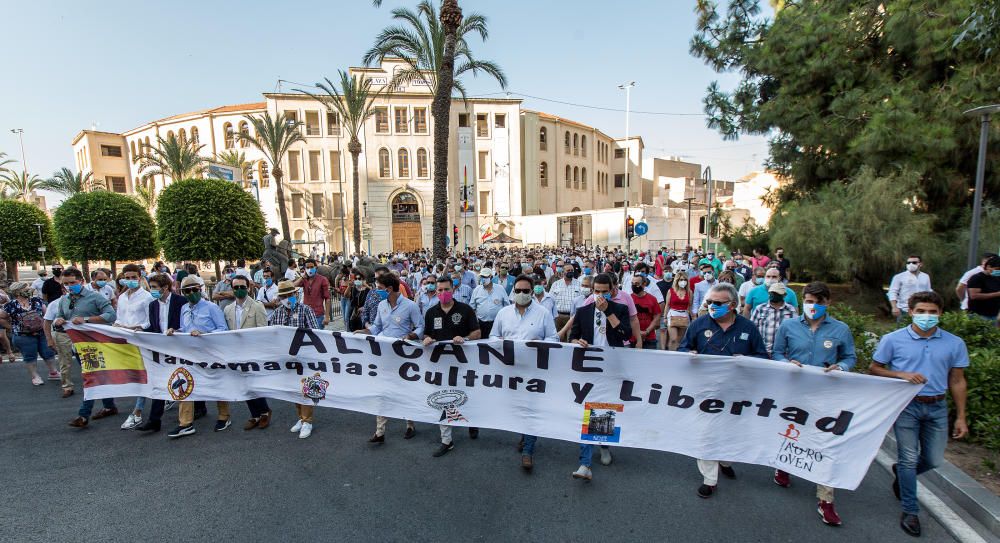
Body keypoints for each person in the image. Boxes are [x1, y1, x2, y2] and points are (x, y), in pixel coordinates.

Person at [868, 291, 969, 538]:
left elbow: (957, 380)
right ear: (911, 312)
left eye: (932, 312)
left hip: (937, 406)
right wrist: (901, 375)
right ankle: (910, 511)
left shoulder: (954, 343)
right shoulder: (893, 339)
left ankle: (902, 473)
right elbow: (875, 368)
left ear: (941, 314)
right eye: (921, 311)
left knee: (933, 460)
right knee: (909, 458)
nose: (927, 316)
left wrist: (961, 416)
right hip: (906, 405)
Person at [770, 282, 856, 526]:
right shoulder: (788, 326)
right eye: (809, 301)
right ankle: (784, 465)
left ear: (828, 303)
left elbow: (850, 357)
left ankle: (825, 500)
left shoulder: (841, 329)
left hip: (827, 395)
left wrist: (841, 367)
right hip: (794, 392)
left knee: (825, 442)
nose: (814, 306)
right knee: (790, 433)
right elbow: (777, 353)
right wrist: (786, 364)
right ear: (802, 301)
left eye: (819, 301)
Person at [678, 283, 768, 498]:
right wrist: (688, 354)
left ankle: (725, 460)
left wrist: (747, 361)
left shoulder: (748, 328)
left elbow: (763, 356)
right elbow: (682, 349)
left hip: (738, 392)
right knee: (707, 433)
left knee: (732, 432)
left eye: (718, 303)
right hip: (706, 391)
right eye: (709, 302)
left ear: (733, 305)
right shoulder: (699, 324)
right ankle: (709, 479)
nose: (712, 306)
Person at [490, 275, 558, 472]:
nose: (521, 294)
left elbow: (553, 338)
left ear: (532, 291)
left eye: (525, 291)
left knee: (531, 408)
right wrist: (500, 341)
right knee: (517, 407)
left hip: (534, 370)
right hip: (510, 370)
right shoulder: (503, 313)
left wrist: (539, 345)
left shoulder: (543, 313)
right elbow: (493, 335)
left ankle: (528, 450)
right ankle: (524, 432)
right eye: (518, 290)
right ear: (513, 292)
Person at [569, 273, 632, 480]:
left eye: (605, 292)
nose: (601, 296)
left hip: (611, 368)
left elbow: (625, 334)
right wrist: (577, 341)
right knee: (587, 409)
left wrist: (609, 313)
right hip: (588, 367)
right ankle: (585, 463)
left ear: (613, 290)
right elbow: (573, 336)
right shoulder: (583, 311)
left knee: (603, 408)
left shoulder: (621, 310)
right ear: (592, 291)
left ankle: (604, 446)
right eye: (597, 292)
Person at [422, 275, 482, 457]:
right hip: (440, 365)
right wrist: (426, 339)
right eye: (439, 290)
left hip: (463, 363)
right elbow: (426, 334)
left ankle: (472, 422)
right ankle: (446, 440)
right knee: (443, 399)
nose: (443, 293)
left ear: (453, 290)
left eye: (446, 289)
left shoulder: (465, 310)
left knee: (467, 396)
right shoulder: (431, 313)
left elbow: (477, 333)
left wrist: (465, 338)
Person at [360, 273, 423, 443]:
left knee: (405, 391)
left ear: (389, 289)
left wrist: (410, 336)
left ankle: (410, 424)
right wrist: (364, 332)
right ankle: (380, 431)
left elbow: (420, 327)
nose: (376, 291)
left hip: (404, 356)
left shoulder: (410, 306)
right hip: (384, 355)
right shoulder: (381, 305)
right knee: (383, 391)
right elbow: (377, 327)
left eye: (379, 288)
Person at [165, 275, 229, 438]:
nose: (191, 293)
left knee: (216, 384)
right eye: (187, 291)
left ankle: (224, 417)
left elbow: (223, 329)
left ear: (200, 290)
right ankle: (185, 423)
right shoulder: (184, 308)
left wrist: (204, 334)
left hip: (210, 353)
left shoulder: (211, 308)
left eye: (194, 290)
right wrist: (175, 331)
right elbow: (184, 328)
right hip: (190, 354)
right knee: (184, 384)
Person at [52, 268, 118, 426]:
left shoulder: (95, 297)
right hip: (78, 346)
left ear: (81, 281)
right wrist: (59, 320)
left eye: (73, 283)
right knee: (97, 376)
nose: (69, 286)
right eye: (66, 283)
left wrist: (86, 319)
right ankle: (109, 406)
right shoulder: (64, 300)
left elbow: (111, 315)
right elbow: (59, 317)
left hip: (95, 345)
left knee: (90, 377)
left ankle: (83, 415)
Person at [268, 280, 322, 438]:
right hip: (287, 358)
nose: (287, 298)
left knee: (306, 388)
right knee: (293, 390)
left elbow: (314, 333)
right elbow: (273, 335)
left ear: (295, 294)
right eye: (283, 296)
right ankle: (300, 418)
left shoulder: (306, 310)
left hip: (304, 357)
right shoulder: (277, 313)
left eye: (289, 295)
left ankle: (308, 421)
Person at [135, 274, 187, 433]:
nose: (152, 290)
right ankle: (154, 420)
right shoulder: (153, 305)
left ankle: (198, 408)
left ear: (165, 288)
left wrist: (176, 331)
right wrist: (142, 331)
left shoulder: (180, 301)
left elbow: (186, 324)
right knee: (159, 382)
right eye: (151, 287)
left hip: (180, 347)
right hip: (161, 349)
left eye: (155, 287)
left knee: (185, 378)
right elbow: (154, 327)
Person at [224, 275, 272, 431]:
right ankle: (254, 415)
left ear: (248, 288)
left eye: (242, 287)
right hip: (236, 353)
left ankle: (264, 412)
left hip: (252, 352)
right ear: (232, 289)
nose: (239, 290)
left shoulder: (257, 306)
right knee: (244, 385)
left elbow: (264, 332)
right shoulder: (228, 309)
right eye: (236, 287)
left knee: (254, 384)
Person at [113, 264, 154, 430]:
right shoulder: (122, 297)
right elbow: (119, 318)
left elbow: (151, 321)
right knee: (135, 374)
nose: (130, 281)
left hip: (141, 341)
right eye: (127, 278)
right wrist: (116, 326)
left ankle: (137, 411)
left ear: (140, 277)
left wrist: (139, 327)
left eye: (133, 277)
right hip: (126, 342)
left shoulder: (147, 297)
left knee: (141, 374)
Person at [0, 282, 58, 385]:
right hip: (23, 336)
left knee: (48, 352)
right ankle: (35, 376)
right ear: (18, 292)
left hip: (41, 333)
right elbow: (2, 317)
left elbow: (46, 315)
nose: (29, 290)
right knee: (30, 356)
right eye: (26, 289)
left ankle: (53, 372)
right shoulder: (11, 305)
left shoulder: (37, 301)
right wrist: (12, 327)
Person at [749, 282, 798, 357]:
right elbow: (752, 330)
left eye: (777, 293)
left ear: (784, 295)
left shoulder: (790, 310)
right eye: (771, 293)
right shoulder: (760, 308)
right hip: (762, 352)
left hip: (783, 354)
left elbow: (795, 331)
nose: (773, 295)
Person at [887, 255, 931, 322]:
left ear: (920, 264)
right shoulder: (899, 277)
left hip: (922, 310)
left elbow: (928, 292)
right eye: (908, 262)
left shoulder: (925, 276)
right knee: (903, 330)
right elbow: (892, 292)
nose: (911, 264)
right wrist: (894, 307)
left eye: (914, 262)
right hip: (904, 310)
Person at [470, 268, 508, 337]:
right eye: (482, 276)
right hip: (481, 324)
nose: (483, 278)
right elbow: (472, 307)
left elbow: (506, 305)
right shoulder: (477, 290)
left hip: (497, 323)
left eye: (485, 277)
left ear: (491, 277)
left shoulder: (500, 288)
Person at [294, 258, 332, 327]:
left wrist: (327, 316)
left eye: (311, 267)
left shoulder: (322, 280)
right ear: (305, 269)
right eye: (307, 268)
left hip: (318, 315)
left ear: (316, 267)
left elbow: (327, 298)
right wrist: (302, 277)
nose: (310, 269)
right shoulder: (304, 280)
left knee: (316, 336)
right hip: (305, 315)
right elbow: (293, 286)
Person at [549, 261, 583, 331]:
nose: (570, 272)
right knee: (558, 338)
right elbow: (550, 300)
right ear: (563, 271)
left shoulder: (579, 284)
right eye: (568, 270)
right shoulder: (556, 284)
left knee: (569, 340)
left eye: (572, 270)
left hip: (572, 317)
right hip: (558, 316)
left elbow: (582, 300)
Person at [966, 255, 1000, 322]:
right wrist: (997, 294)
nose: (999, 271)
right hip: (978, 315)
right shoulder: (977, 278)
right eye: (997, 269)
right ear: (988, 267)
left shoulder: (997, 278)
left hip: (993, 315)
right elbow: (973, 295)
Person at [630, 274, 661, 350]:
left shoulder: (652, 299)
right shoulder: (629, 298)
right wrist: (637, 332)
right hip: (633, 338)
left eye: (637, 284)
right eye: (632, 283)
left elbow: (657, 316)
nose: (634, 286)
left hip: (649, 337)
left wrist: (647, 331)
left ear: (644, 284)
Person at [665, 271, 693, 351]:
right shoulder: (671, 291)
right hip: (672, 314)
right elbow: (667, 305)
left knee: (679, 340)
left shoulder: (689, 292)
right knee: (673, 338)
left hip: (684, 315)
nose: (683, 281)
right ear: (677, 281)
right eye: (681, 279)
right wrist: (665, 317)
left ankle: (676, 355)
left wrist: (693, 317)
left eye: (685, 279)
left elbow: (690, 306)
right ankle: (671, 355)